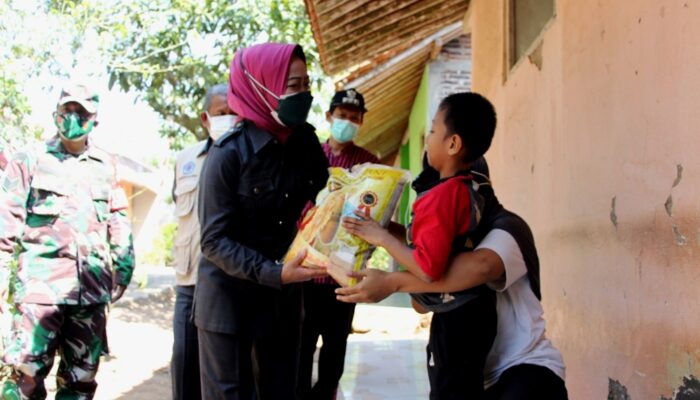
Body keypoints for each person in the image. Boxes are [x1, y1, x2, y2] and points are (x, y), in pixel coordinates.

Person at [336, 164, 569, 399]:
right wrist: (381, 232)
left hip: (525, 367)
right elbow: (422, 304)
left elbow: (481, 267)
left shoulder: (507, 228)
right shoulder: (445, 239)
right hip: (469, 375)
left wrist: (391, 276)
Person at [195, 43, 330, 399]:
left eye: (306, 84)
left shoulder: (306, 144)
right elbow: (213, 241)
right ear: (261, 86)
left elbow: (324, 203)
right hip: (228, 307)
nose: (304, 95)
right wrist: (274, 271)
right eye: (292, 86)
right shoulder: (227, 155)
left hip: (282, 304)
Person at [342, 92, 499, 399]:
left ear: (452, 144)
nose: (427, 139)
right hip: (474, 312)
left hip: (457, 320)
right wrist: (385, 227)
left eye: (432, 130)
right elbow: (430, 243)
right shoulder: (464, 187)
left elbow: (428, 268)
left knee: (448, 391)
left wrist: (382, 238)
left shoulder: (440, 197)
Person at [0, 82, 135, 399]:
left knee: (80, 382)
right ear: (55, 115)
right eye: (67, 110)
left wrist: (125, 266)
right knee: (24, 381)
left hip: (90, 294)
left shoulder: (107, 165)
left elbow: (118, 219)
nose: (73, 117)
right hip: (38, 292)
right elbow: (6, 223)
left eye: (81, 111)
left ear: (94, 120)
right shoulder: (28, 160)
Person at [297, 88, 379, 400]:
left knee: (335, 350)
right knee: (301, 346)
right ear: (330, 116)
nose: (347, 122)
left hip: (344, 277)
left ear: (361, 122)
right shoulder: (308, 157)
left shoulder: (371, 166)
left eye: (354, 118)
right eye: (342, 116)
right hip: (305, 272)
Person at [170, 83, 236, 400]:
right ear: (206, 118)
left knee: (223, 371)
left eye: (233, 113)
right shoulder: (184, 159)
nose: (228, 119)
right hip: (190, 280)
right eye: (221, 114)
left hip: (228, 280)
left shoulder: (244, 157)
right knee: (184, 362)